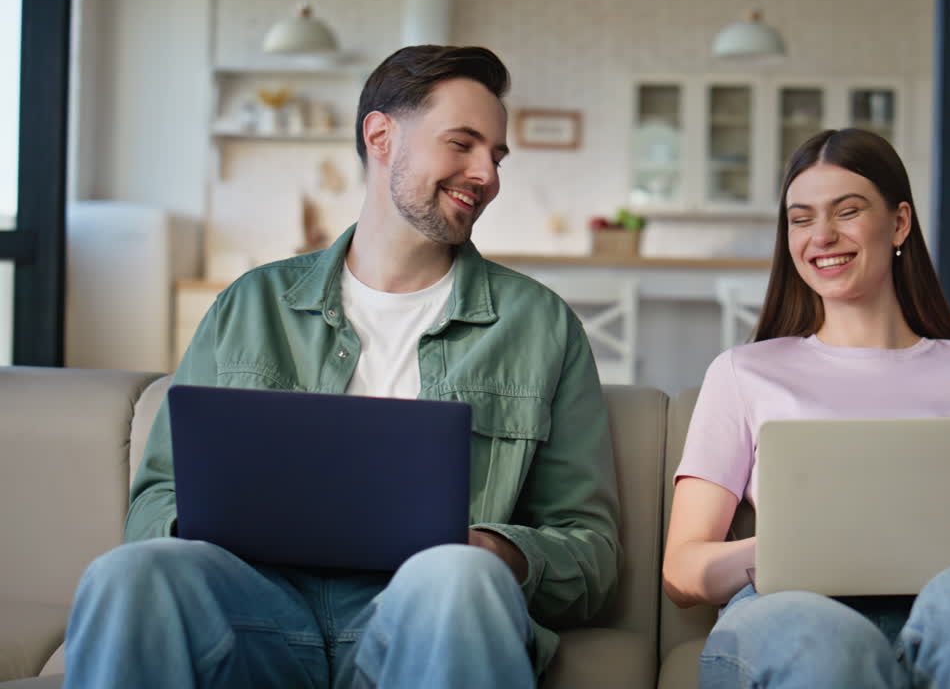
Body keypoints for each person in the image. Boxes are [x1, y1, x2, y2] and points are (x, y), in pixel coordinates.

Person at [62, 45, 621, 689]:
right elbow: (154, 502)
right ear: (381, 135)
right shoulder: (251, 304)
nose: (486, 174)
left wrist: (492, 552)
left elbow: (592, 554)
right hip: (252, 615)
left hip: (421, 617)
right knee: (127, 573)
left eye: (495, 156)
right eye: (462, 144)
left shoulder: (541, 327)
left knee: (457, 574)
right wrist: (212, 519)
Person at [662, 128, 950, 689]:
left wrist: (918, 544)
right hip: (790, 612)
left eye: (846, 212)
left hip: (948, 613)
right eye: (801, 219)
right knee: (828, 643)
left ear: (899, 223)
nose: (821, 236)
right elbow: (682, 573)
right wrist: (799, 546)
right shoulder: (743, 372)